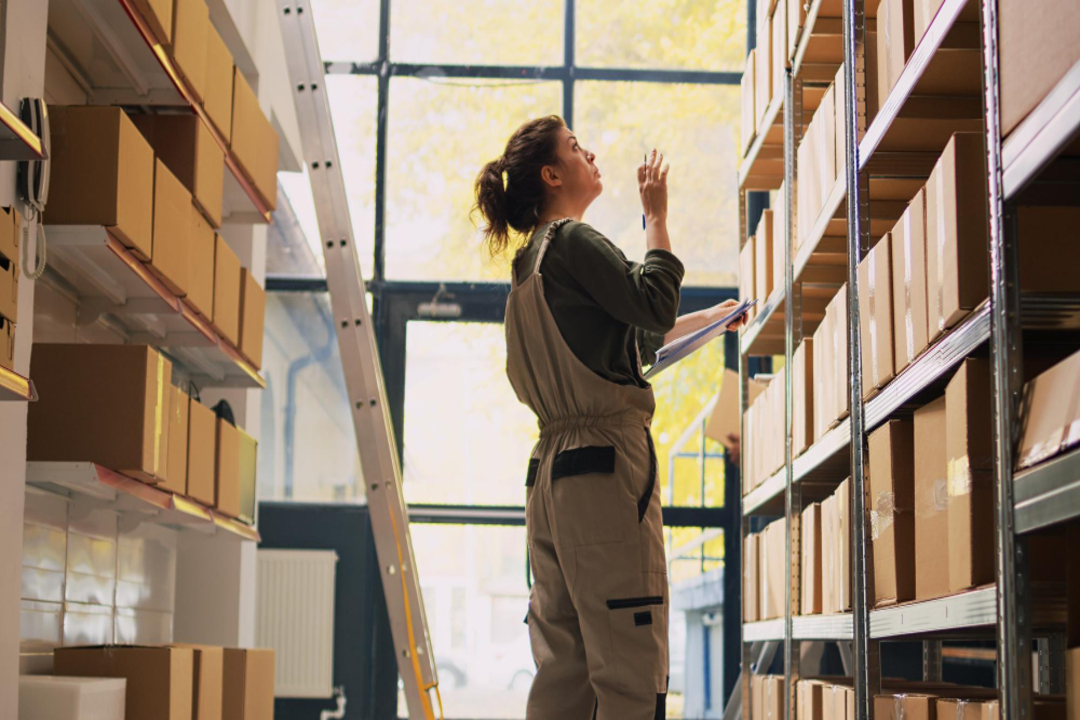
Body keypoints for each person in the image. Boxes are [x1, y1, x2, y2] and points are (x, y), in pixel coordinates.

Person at [473, 115, 746, 720]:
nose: (589, 152)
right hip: (603, 476)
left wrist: (712, 320)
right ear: (551, 174)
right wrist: (656, 215)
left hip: (552, 478)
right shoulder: (571, 239)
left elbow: (627, 346)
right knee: (628, 664)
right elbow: (653, 300)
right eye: (574, 148)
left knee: (564, 671)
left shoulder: (529, 269)